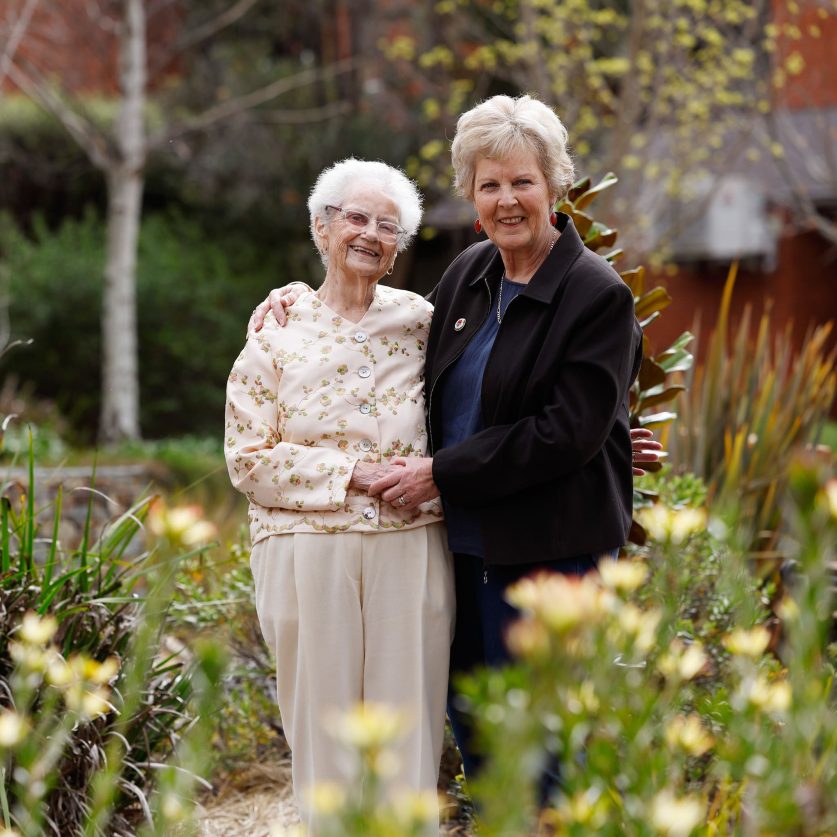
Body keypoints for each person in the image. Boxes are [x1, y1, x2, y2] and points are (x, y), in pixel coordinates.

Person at [252, 95, 660, 799]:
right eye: (489, 184)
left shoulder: (595, 295)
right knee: (477, 735)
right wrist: (294, 296)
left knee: (543, 749)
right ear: (471, 194)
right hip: (461, 547)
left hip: (548, 551)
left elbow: (565, 432)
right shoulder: (471, 273)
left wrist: (441, 472)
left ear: (554, 185)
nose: (507, 200)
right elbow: (389, 349)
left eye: (522, 181)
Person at [225, 158, 455, 833]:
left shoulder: (423, 320)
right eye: (356, 218)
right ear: (321, 227)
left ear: (399, 247)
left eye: (388, 227)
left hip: (410, 542)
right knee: (323, 730)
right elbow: (247, 459)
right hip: (305, 548)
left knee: (409, 729)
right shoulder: (276, 330)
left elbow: (498, 385)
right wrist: (351, 473)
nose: (370, 235)